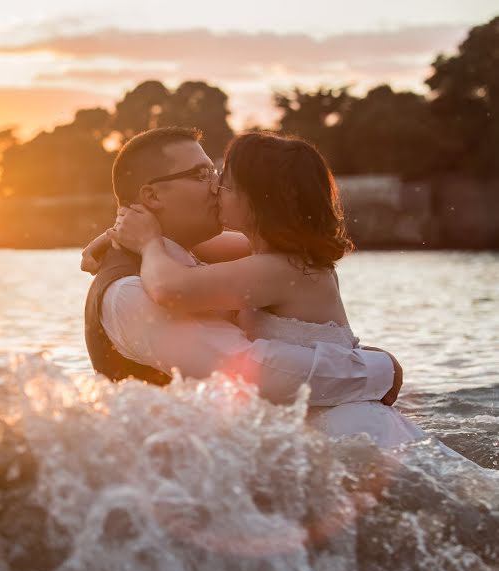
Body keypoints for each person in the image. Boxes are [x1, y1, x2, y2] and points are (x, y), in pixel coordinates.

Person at [105, 131, 424, 447]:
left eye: (223, 180)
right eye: (204, 175)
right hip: (325, 424)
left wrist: (147, 244)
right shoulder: (271, 255)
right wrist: (116, 237)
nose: (215, 188)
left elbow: (172, 289)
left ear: (256, 201)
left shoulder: (277, 267)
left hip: (346, 429)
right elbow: (194, 247)